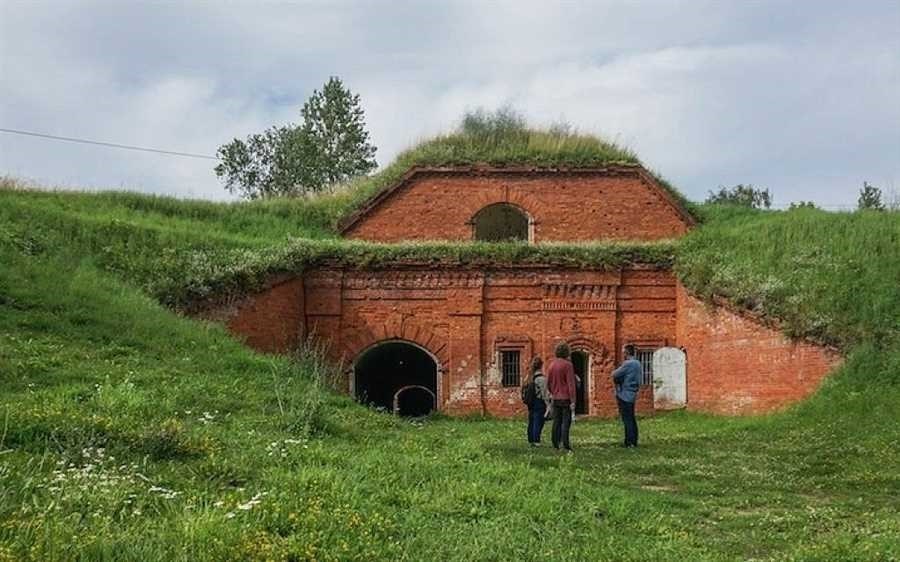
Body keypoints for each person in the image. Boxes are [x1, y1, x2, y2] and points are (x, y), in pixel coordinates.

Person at [547, 342, 577, 452]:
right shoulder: (568, 365)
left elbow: (548, 383)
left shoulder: (551, 365)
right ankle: (565, 444)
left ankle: (555, 443)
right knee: (566, 422)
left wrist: (553, 392)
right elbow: (571, 384)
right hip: (566, 398)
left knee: (556, 421)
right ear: (567, 352)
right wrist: (573, 400)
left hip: (556, 398)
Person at [612, 344, 642, 448]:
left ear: (627, 353)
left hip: (625, 393)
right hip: (633, 392)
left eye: (623, 352)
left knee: (627, 419)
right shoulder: (638, 363)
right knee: (632, 418)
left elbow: (615, 374)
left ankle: (629, 442)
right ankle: (634, 440)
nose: (622, 354)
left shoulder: (628, 364)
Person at [524, 357, 552, 446]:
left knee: (531, 420)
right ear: (541, 365)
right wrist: (548, 404)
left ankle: (531, 439)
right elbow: (545, 393)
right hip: (539, 401)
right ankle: (536, 440)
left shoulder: (528, 377)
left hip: (531, 402)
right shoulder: (541, 379)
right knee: (538, 421)